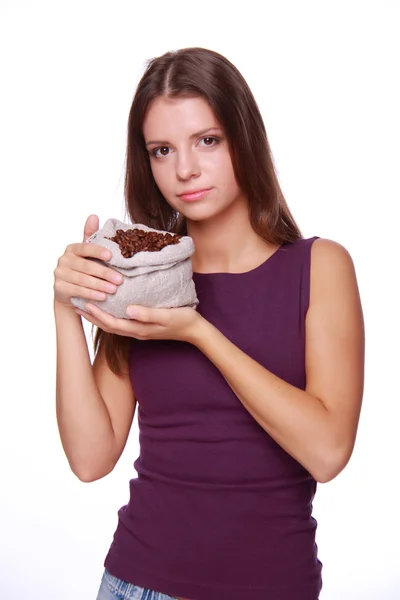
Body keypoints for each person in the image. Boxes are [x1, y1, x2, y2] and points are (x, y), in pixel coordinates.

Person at [53, 47, 365, 600]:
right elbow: (90, 458)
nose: (185, 170)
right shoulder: (141, 279)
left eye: (208, 141)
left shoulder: (319, 268)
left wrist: (198, 332)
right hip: (137, 584)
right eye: (162, 150)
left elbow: (327, 452)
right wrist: (66, 309)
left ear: (244, 137)